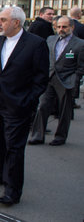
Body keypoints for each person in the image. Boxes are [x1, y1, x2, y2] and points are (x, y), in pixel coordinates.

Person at [0, 6, 49, 205]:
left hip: (18, 105)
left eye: (2, 20)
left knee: (14, 148)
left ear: (16, 22)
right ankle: (0, 174)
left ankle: (12, 191)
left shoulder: (36, 44)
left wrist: (28, 100)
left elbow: (41, 79)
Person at [29, 16, 84, 146]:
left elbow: (81, 67)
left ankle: (60, 137)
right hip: (49, 79)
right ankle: (37, 135)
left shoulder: (80, 44)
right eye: (58, 27)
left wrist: (74, 81)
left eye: (64, 27)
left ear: (72, 27)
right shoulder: (50, 39)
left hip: (66, 81)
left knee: (64, 111)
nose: (61, 29)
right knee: (42, 107)